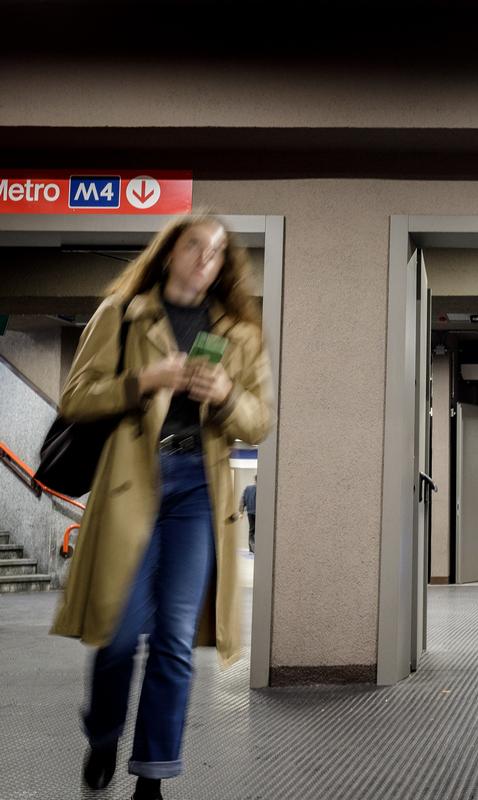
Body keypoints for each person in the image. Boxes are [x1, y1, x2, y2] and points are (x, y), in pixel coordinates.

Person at [50, 212, 274, 800]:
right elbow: (75, 398)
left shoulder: (239, 332)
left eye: (218, 252)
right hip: (132, 480)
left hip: (199, 487)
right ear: (170, 251)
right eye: (195, 246)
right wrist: (143, 380)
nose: (206, 259)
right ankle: (102, 736)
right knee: (120, 635)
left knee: (174, 637)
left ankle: (152, 774)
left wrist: (226, 395)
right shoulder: (122, 313)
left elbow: (261, 421)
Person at [240, 475, 258, 553]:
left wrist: (241, 511)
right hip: (257, 512)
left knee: (251, 530)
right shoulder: (260, 489)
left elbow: (242, 499)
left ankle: (251, 548)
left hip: (250, 512)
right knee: (256, 531)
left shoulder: (248, 488)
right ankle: (254, 548)